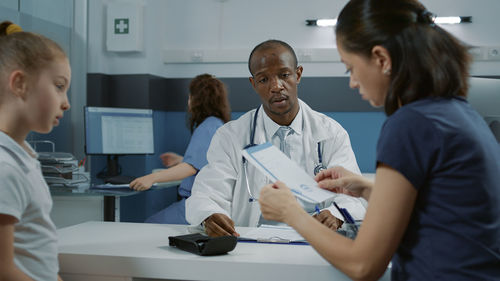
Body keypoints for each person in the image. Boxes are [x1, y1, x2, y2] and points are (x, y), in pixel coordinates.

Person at [258, 0, 500, 280]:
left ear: (382, 59)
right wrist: (367, 188)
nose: (353, 82)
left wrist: (291, 213)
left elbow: (362, 265)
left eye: (350, 68)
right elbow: (440, 209)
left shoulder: (410, 123)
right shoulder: (457, 111)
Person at [186, 39, 366, 237]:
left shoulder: (331, 132)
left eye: (284, 75)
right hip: (252, 245)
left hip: (315, 241)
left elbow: (353, 196)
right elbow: (206, 194)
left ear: (298, 75)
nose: (276, 86)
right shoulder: (230, 136)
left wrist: (335, 213)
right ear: (253, 84)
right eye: (263, 79)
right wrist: (210, 214)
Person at [0, 21, 71, 280]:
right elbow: (3, 270)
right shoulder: (4, 168)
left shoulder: (24, 155)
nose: (67, 103)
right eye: (59, 86)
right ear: (19, 84)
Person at [130, 74, 231, 224]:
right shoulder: (217, 124)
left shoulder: (207, 127)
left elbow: (190, 169)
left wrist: (151, 178)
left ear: (195, 100)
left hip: (199, 206)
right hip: (213, 205)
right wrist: (181, 160)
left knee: (149, 225)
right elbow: (208, 163)